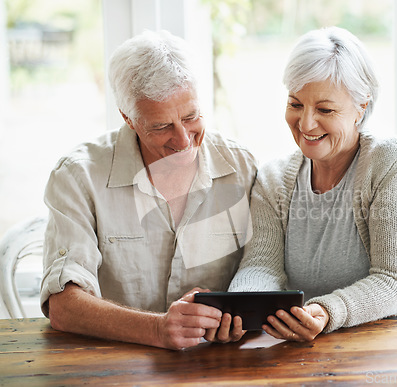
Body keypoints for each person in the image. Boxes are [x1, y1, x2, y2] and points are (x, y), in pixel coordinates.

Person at [223, 26, 397, 343]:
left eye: (325, 109)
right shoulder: (273, 180)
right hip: (325, 346)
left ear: (361, 107)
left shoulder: (389, 162)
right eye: (295, 104)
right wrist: (238, 310)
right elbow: (262, 266)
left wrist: (329, 311)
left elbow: (394, 281)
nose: (305, 123)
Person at [40, 30, 257, 350]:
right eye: (161, 126)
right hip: (114, 363)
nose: (184, 141)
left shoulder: (241, 166)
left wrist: (240, 311)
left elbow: (264, 268)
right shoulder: (78, 175)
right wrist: (156, 329)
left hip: (218, 361)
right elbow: (63, 305)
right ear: (128, 118)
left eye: (191, 116)